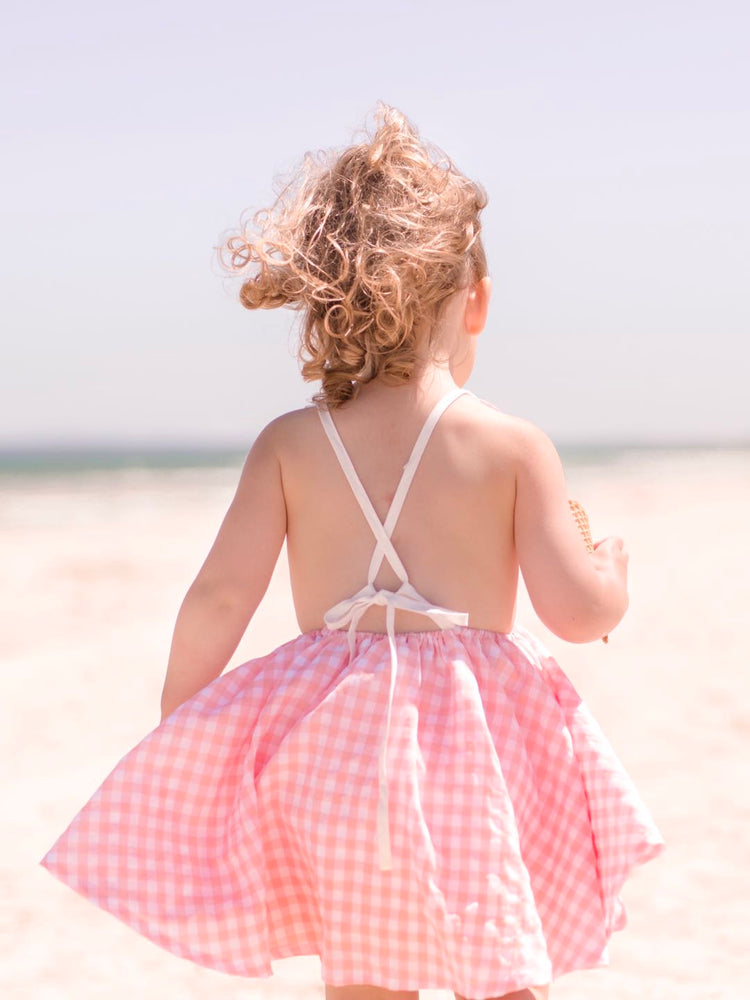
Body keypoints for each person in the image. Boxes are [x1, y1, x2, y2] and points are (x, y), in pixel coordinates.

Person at [39, 104, 664, 1000]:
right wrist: (615, 574)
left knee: (366, 969)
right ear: (475, 299)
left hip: (331, 750)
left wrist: (184, 728)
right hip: (472, 749)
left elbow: (219, 598)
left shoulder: (291, 444)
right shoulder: (512, 445)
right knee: (497, 962)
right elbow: (575, 611)